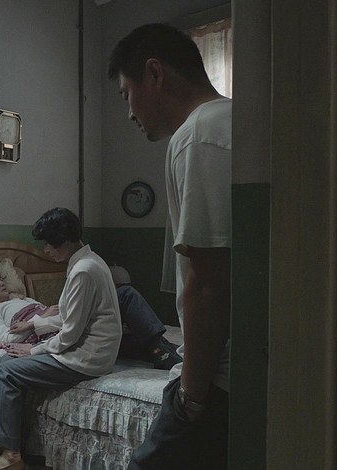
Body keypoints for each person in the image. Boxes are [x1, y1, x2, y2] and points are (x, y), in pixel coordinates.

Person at [108, 23, 231, 470]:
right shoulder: (230, 122)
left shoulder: (198, 136)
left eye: (126, 94)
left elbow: (208, 283)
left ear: (155, 74)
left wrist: (191, 396)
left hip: (216, 380)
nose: (129, 113)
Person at [0, 207, 123, 470]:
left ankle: (11, 456)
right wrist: (35, 324)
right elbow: (69, 317)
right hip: (90, 348)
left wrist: (34, 351)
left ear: (62, 240)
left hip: (87, 355)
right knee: (8, 360)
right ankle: (1, 438)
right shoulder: (89, 260)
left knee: (8, 371)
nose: (45, 250)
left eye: (47, 243)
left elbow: (70, 333)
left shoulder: (83, 270)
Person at [0, 266, 181, 369]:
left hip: (72, 325)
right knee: (125, 296)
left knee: (125, 329)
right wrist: (38, 320)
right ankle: (162, 351)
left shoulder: (24, 299)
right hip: (60, 337)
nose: (2, 283)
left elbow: (60, 315)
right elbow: (6, 339)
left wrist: (47, 316)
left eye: (1, 279)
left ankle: (167, 353)